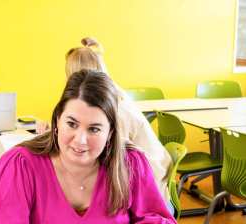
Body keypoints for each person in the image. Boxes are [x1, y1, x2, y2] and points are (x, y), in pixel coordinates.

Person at [0, 70, 188, 224]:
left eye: (94, 129)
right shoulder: (20, 165)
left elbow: (153, 217)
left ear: (111, 133)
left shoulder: (130, 163)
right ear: (57, 120)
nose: (80, 140)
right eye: (71, 124)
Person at [65, 37, 172, 205]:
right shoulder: (107, 95)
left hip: (149, 196)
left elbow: (111, 163)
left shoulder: (116, 111)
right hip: (134, 182)